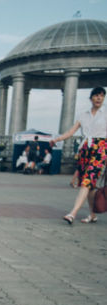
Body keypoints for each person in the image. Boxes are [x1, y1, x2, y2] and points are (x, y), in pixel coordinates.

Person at [52, 86, 107, 225]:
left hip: (100, 148)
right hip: (85, 149)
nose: (99, 98)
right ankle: (93, 215)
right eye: (96, 95)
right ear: (91, 98)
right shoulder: (84, 115)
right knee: (89, 185)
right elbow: (71, 131)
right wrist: (57, 139)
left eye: (101, 95)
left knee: (86, 181)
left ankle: (73, 213)